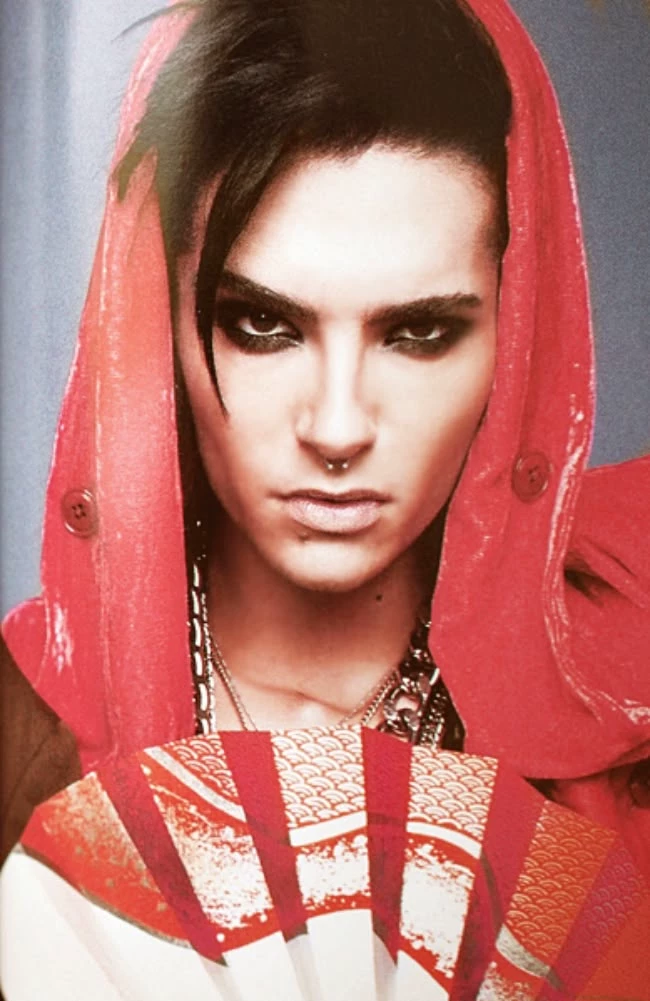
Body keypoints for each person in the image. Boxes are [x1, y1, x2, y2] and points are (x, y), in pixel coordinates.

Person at [1, 0, 649, 994]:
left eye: (419, 332)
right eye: (261, 324)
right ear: (155, 314)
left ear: (517, 335)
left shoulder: (618, 730)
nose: (338, 426)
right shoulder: (22, 733)